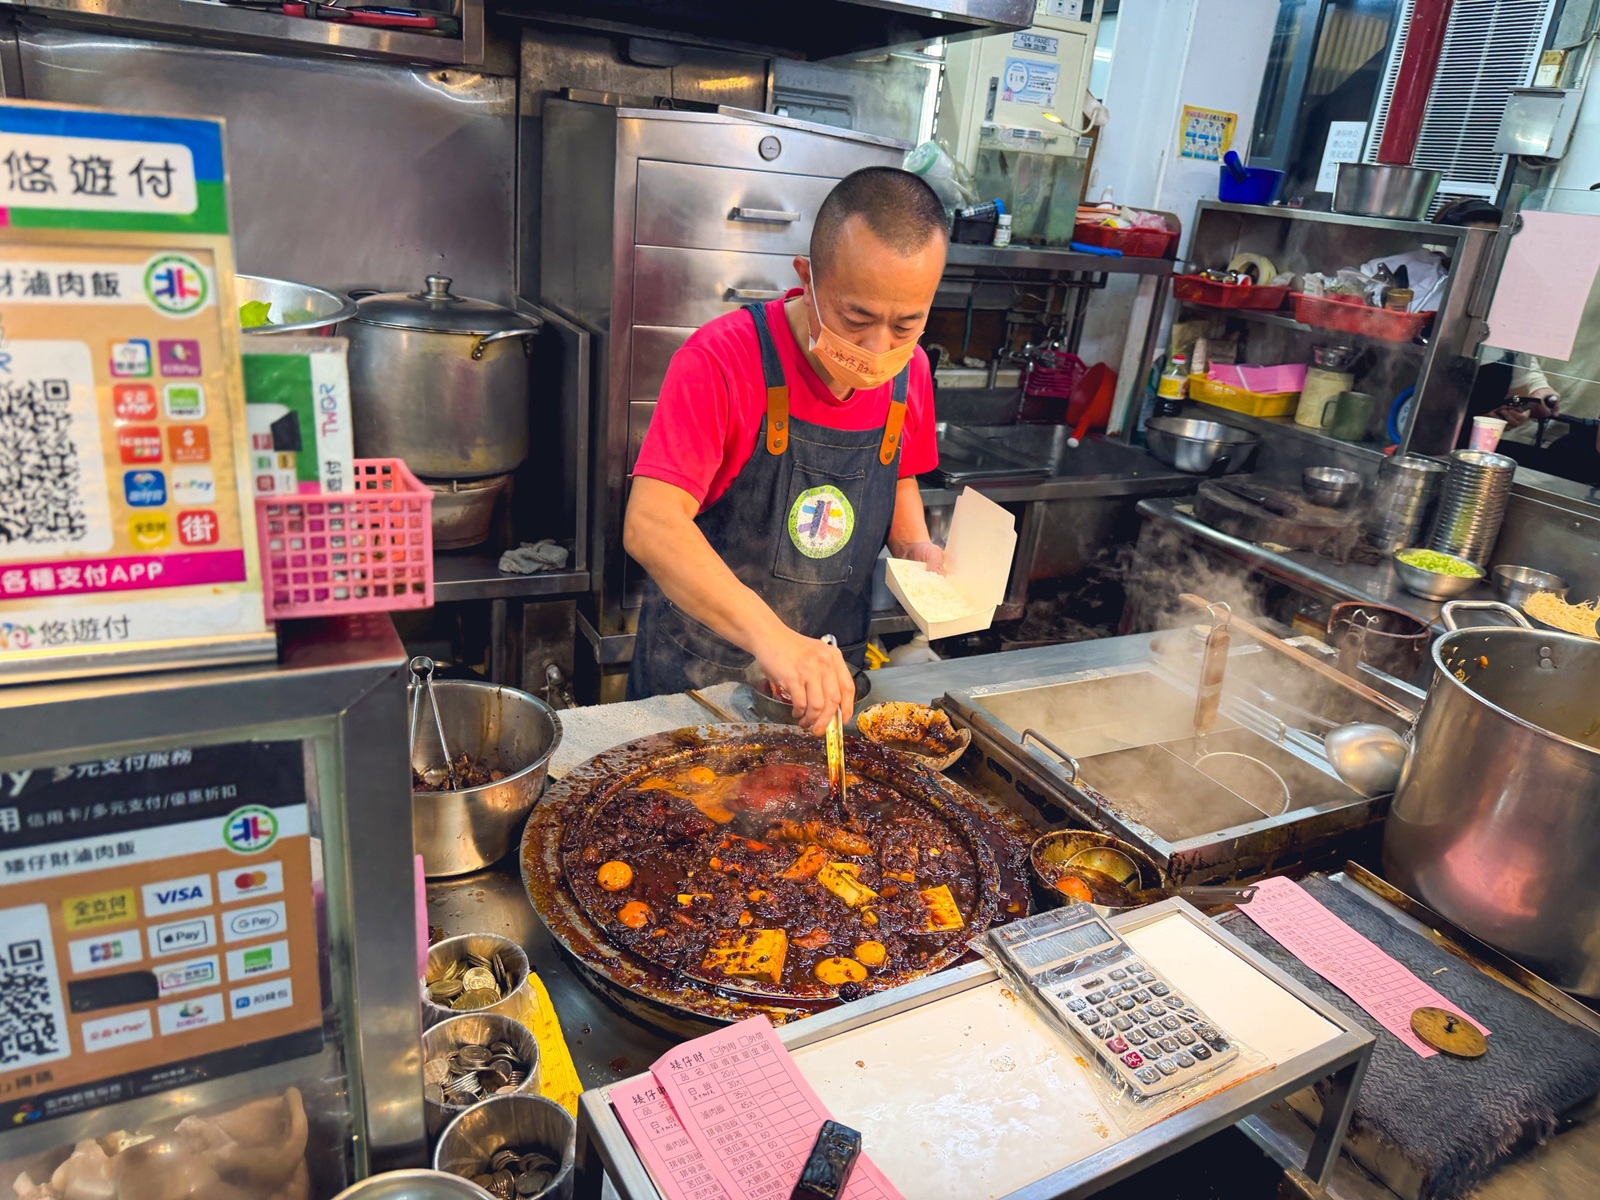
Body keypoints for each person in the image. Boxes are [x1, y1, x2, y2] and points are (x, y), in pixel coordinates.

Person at [624, 167, 948, 733]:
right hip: (703, 683)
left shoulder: (911, 371)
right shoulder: (722, 360)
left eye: (906, 323)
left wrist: (915, 546)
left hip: (827, 686)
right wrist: (774, 638)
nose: (879, 348)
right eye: (857, 317)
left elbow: (896, 474)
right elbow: (651, 523)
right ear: (807, 276)